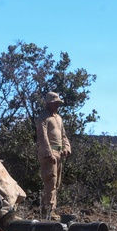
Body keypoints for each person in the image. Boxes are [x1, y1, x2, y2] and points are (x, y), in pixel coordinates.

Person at [36, 91, 72, 220]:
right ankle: (47, 212)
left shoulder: (58, 118)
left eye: (58, 103)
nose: (57, 106)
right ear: (49, 103)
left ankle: (52, 210)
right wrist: (48, 153)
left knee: (57, 184)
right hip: (49, 155)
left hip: (59, 154)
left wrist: (66, 148)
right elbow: (42, 136)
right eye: (55, 103)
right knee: (50, 182)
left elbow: (63, 135)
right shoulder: (43, 118)